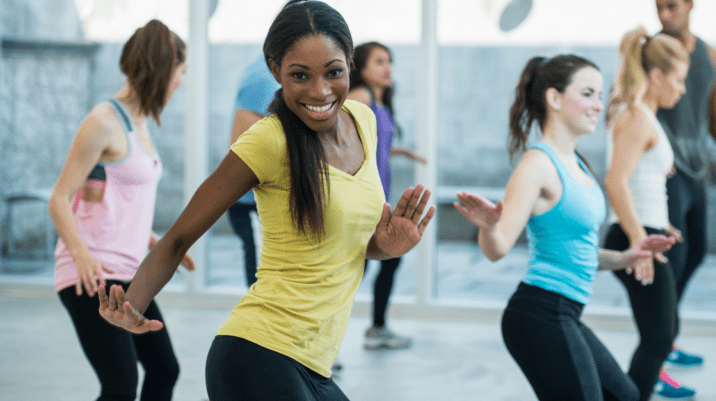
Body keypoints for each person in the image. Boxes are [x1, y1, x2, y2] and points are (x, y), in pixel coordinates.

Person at [97, 2, 436, 400]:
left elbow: (347, 247)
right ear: (275, 71)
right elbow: (178, 238)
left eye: (334, 72)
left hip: (314, 365)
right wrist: (132, 304)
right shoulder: (268, 140)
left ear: (350, 63)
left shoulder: (364, 121)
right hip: (256, 355)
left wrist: (385, 246)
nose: (320, 90)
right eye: (299, 75)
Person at [454, 54, 676, 401]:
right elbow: (497, 249)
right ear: (554, 98)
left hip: (564, 313)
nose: (598, 106)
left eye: (600, 96)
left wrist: (626, 256)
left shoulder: (577, 164)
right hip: (539, 313)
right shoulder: (537, 165)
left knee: (627, 396)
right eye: (588, 94)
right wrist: (488, 226)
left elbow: (577, 249)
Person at [48, 19, 194, 401]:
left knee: (164, 370)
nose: (182, 80)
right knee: (120, 386)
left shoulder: (138, 123)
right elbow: (59, 199)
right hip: (93, 275)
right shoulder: (102, 123)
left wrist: (153, 241)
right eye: (181, 71)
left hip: (128, 271)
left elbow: (117, 203)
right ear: (162, 70)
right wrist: (81, 255)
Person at [655, 0, 716, 373]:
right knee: (671, 258)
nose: (664, 15)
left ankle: (665, 337)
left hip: (696, 168)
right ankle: (656, 350)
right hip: (665, 169)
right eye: (658, 7)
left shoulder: (713, 58)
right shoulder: (651, 51)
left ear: (691, 5)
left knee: (697, 252)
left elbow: (715, 114)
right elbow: (629, 103)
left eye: (671, 6)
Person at [603, 27, 691, 400]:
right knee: (660, 337)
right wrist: (640, 239)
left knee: (661, 332)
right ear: (656, 76)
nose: (682, 89)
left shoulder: (644, 116)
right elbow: (616, 181)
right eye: (678, 80)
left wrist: (662, 222)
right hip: (633, 236)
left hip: (645, 230)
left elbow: (642, 182)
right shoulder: (637, 116)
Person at [347, 41, 426, 350]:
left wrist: (397, 150)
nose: (388, 67)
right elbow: (338, 140)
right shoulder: (361, 96)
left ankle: (378, 328)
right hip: (361, 200)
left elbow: (370, 143)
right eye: (379, 61)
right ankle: (314, 340)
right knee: (356, 269)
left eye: (389, 61)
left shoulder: (379, 101)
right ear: (361, 68)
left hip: (378, 199)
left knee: (389, 260)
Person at [226, 52, 280, 288]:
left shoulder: (275, 73)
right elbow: (240, 144)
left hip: (264, 197)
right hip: (252, 199)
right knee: (263, 277)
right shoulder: (263, 77)